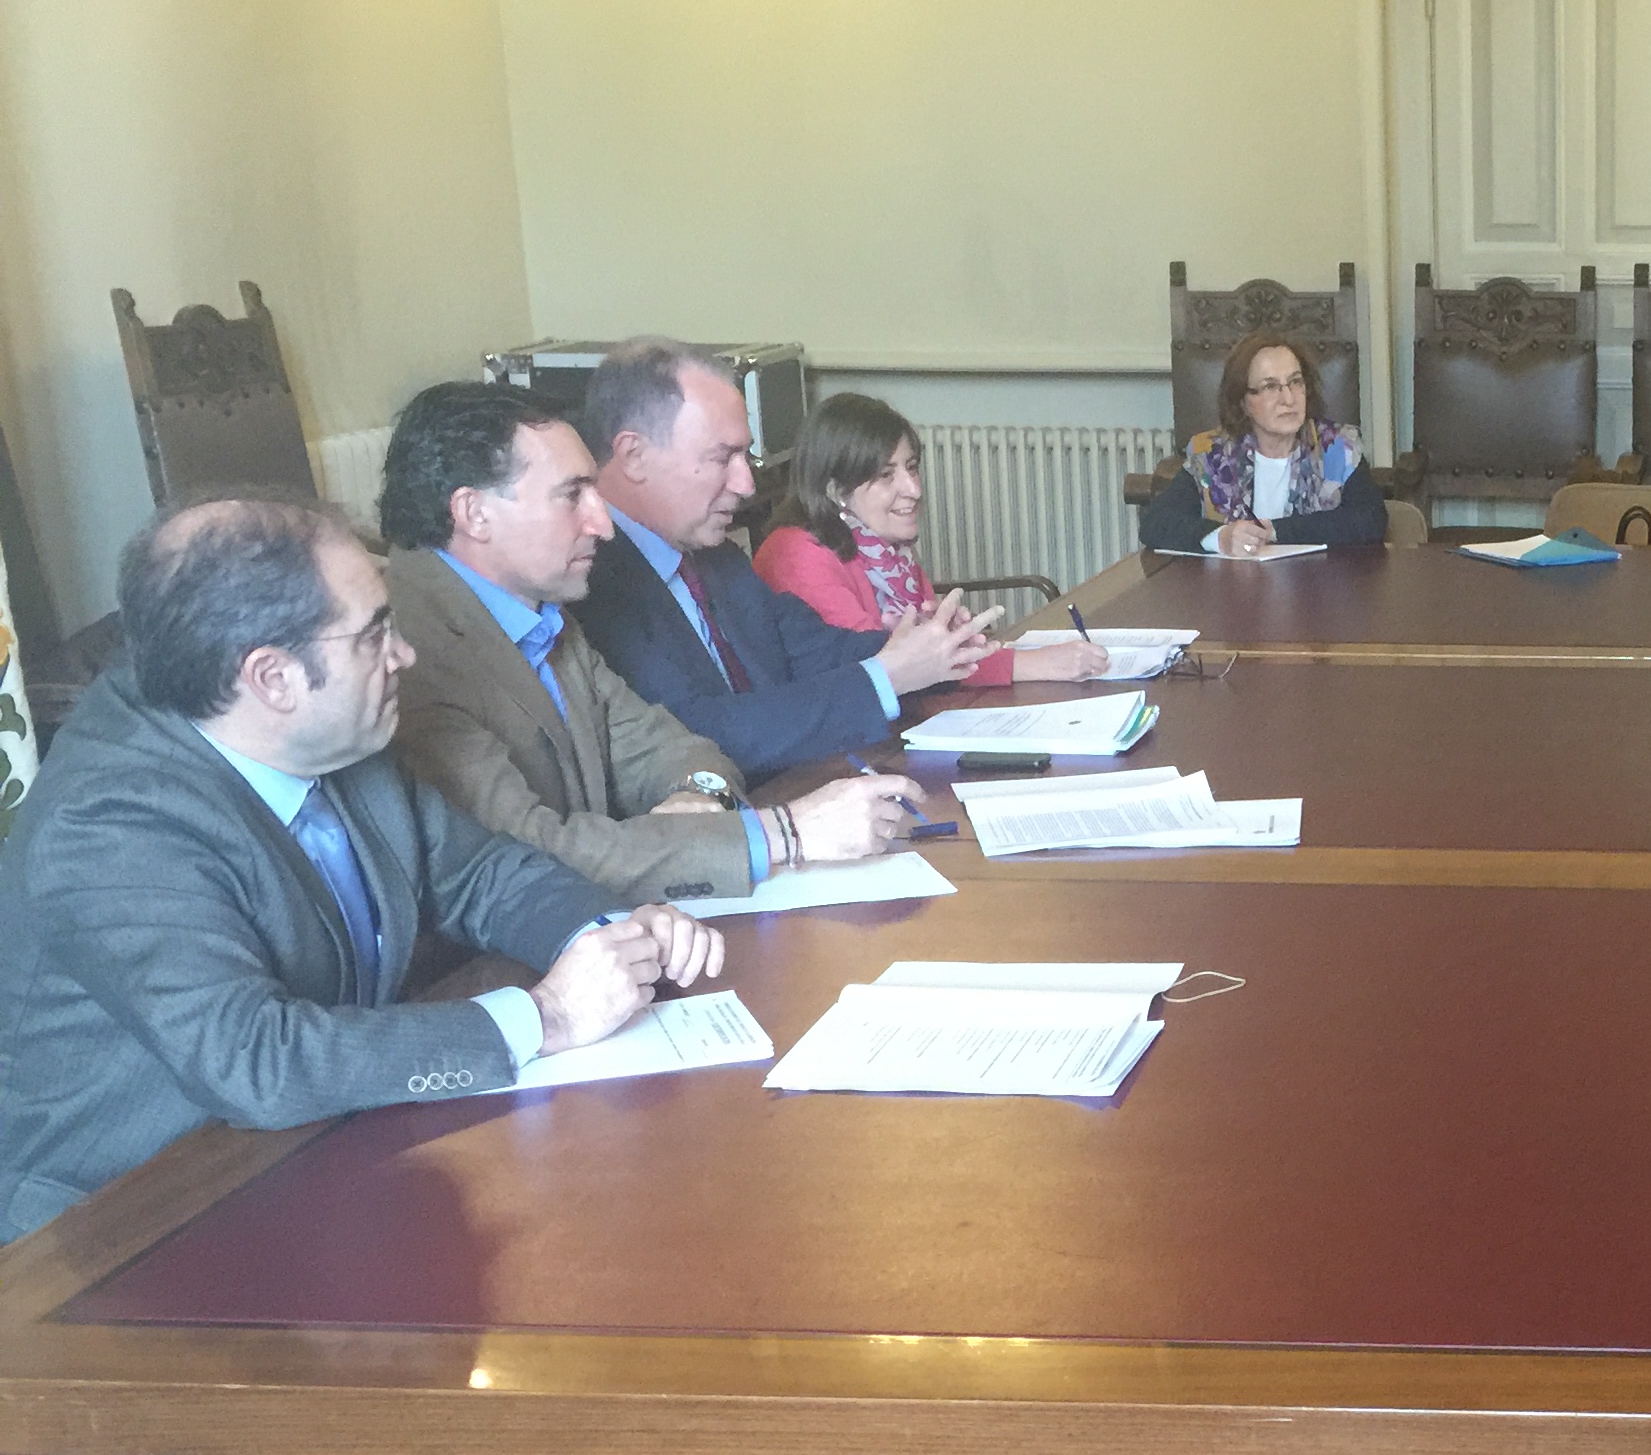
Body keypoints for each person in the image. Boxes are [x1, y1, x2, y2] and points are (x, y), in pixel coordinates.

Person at [0, 494, 720, 1241]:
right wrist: (549, 1017)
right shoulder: (106, 825)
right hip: (124, 1228)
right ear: (273, 678)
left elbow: (481, 874)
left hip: (312, 1157)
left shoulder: (326, 730)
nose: (404, 655)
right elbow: (255, 1060)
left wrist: (610, 935)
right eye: (376, 633)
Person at [381, 382, 934, 902]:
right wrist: (782, 833)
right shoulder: (405, 648)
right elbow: (527, 852)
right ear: (474, 513)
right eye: (572, 496)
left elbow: (671, 746)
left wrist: (702, 797)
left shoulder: (543, 613)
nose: (602, 524)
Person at [573, 339, 998, 780]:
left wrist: (926, 646)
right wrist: (888, 676)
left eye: (745, 456)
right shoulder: (590, 582)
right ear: (634, 456)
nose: (746, 485)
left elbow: (811, 650)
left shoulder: (716, 558)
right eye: (723, 457)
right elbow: (696, 733)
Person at [755, 393, 1110, 688]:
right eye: (885, 475)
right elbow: (887, 669)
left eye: (911, 467)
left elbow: (926, 659)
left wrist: (953, 636)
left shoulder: (887, 552)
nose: (913, 489)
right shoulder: (795, 555)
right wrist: (1035, 664)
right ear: (835, 491)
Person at [1135, 332, 1388, 557]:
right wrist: (1220, 538)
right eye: (1270, 386)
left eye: (1295, 382)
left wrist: (1274, 531)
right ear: (1242, 401)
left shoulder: (1336, 448)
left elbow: (1371, 520)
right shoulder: (1213, 456)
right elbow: (1156, 523)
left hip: (1319, 587)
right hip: (1232, 589)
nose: (1288, 399)